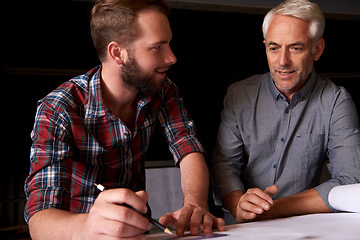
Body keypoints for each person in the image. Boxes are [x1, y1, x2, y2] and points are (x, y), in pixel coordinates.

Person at [24, 0, 225, 239]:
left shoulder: (161, 89)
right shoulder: (58, 109)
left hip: (138, 231)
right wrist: (87, 227)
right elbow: (39, 221)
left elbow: (187, 145)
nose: (172, 58)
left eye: (169, 44)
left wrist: (194, 205)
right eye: (157, 47)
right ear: (117, 53)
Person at [210, 0, 360, 224]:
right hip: (240, 228)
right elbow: (224, 165)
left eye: (295, 48)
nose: (282, 61)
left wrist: (273, 209)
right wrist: (238, 204)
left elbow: (351, 179)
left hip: (303, 227)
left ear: (317, 49)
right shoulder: (239, 94)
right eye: (274, 48)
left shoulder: (336, 101)